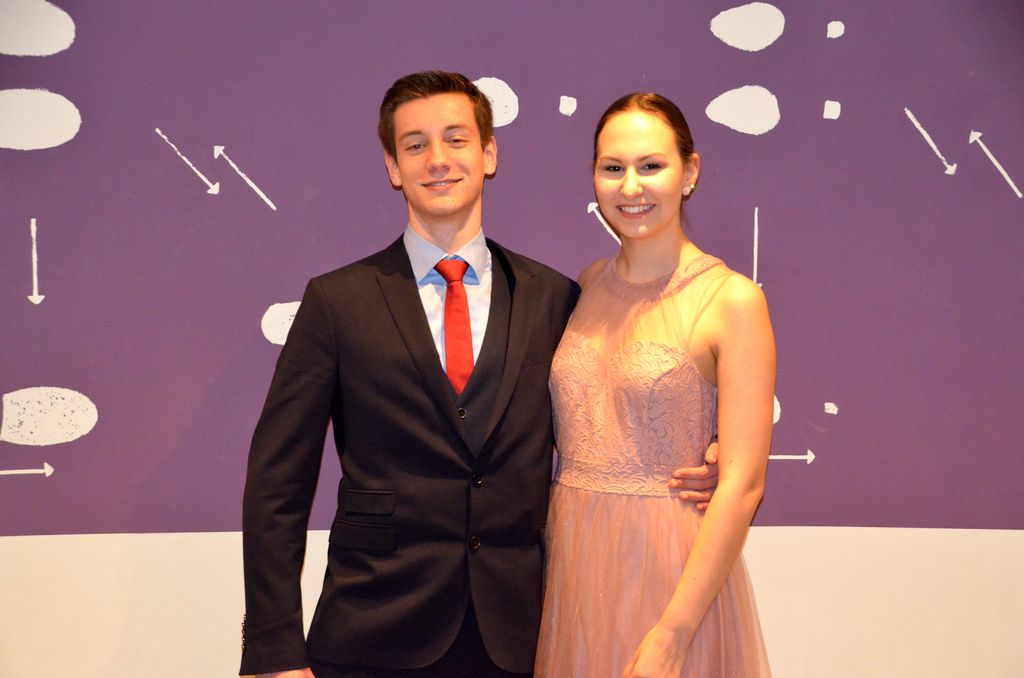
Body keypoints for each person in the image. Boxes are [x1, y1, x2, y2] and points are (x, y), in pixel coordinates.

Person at [240, 73, 719, 678]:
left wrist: (710, 448)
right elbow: (277, 484)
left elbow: (610, 407)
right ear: (392, 166)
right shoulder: (337, 303)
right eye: (415, 145)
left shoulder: (555, 299)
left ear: (489, 153)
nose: (438, 159)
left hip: (519, 638)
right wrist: (274, 651)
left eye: (456, 139)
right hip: (372, 634)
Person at [535, 93, 775, 677]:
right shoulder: (590, 283)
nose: (630, 187)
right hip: (573, 563)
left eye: (651, 165)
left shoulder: (732, 300)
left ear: (689, 172)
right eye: (612, 167)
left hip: (671, 576)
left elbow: (743, 484)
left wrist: (674, 633)